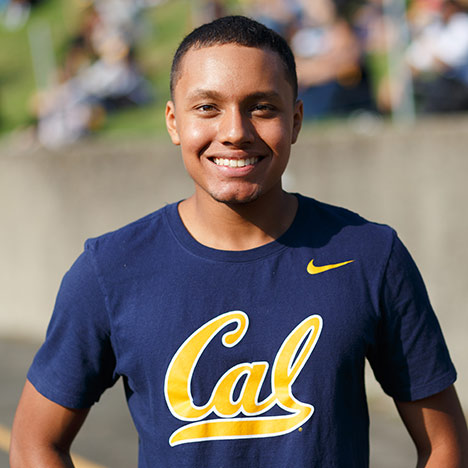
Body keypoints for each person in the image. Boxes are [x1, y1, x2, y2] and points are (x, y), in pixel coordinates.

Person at [10, 15, 468, 468]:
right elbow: (34, 445)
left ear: (296, 120)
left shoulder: (370, 256)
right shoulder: (108, 270)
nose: (234, 132)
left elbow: (444, 445)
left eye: (262, 107)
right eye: (207, 107)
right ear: (173, 122)